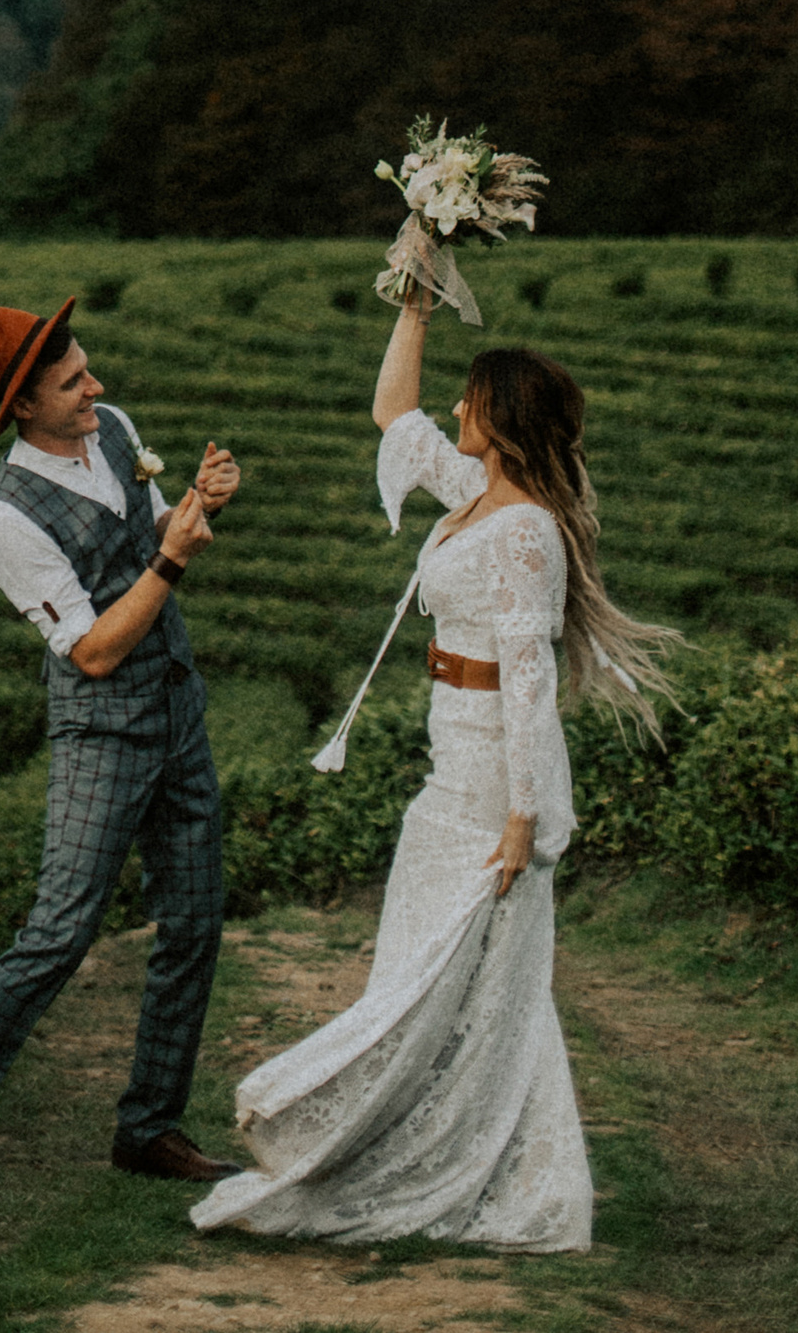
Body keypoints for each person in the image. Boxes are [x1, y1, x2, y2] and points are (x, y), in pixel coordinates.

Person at [190, 287, 678, 1254]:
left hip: (492, 773)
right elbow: (393, 412)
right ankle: (398, 1141)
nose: (455, 408)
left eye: (471, 400)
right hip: (449, 753)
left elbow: (529, 679)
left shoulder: (526, 529)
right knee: (425, 965)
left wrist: (523, 817)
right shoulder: (474, 494)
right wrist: (414, 301)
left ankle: (468, 1162)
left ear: (503, 420)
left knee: (476, 975)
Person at [0, 296, 244, 1187]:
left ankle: (151, 1127)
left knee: (194, 921)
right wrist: (174, 558)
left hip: (177, 708)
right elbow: (91, 651)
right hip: (104, 730)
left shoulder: (113, 428)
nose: (96, 386)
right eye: (72, 381)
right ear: (23, 405)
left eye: (86, 369)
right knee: (59, 931)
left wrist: (194, 506)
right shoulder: (8, 522)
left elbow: (150, 532)